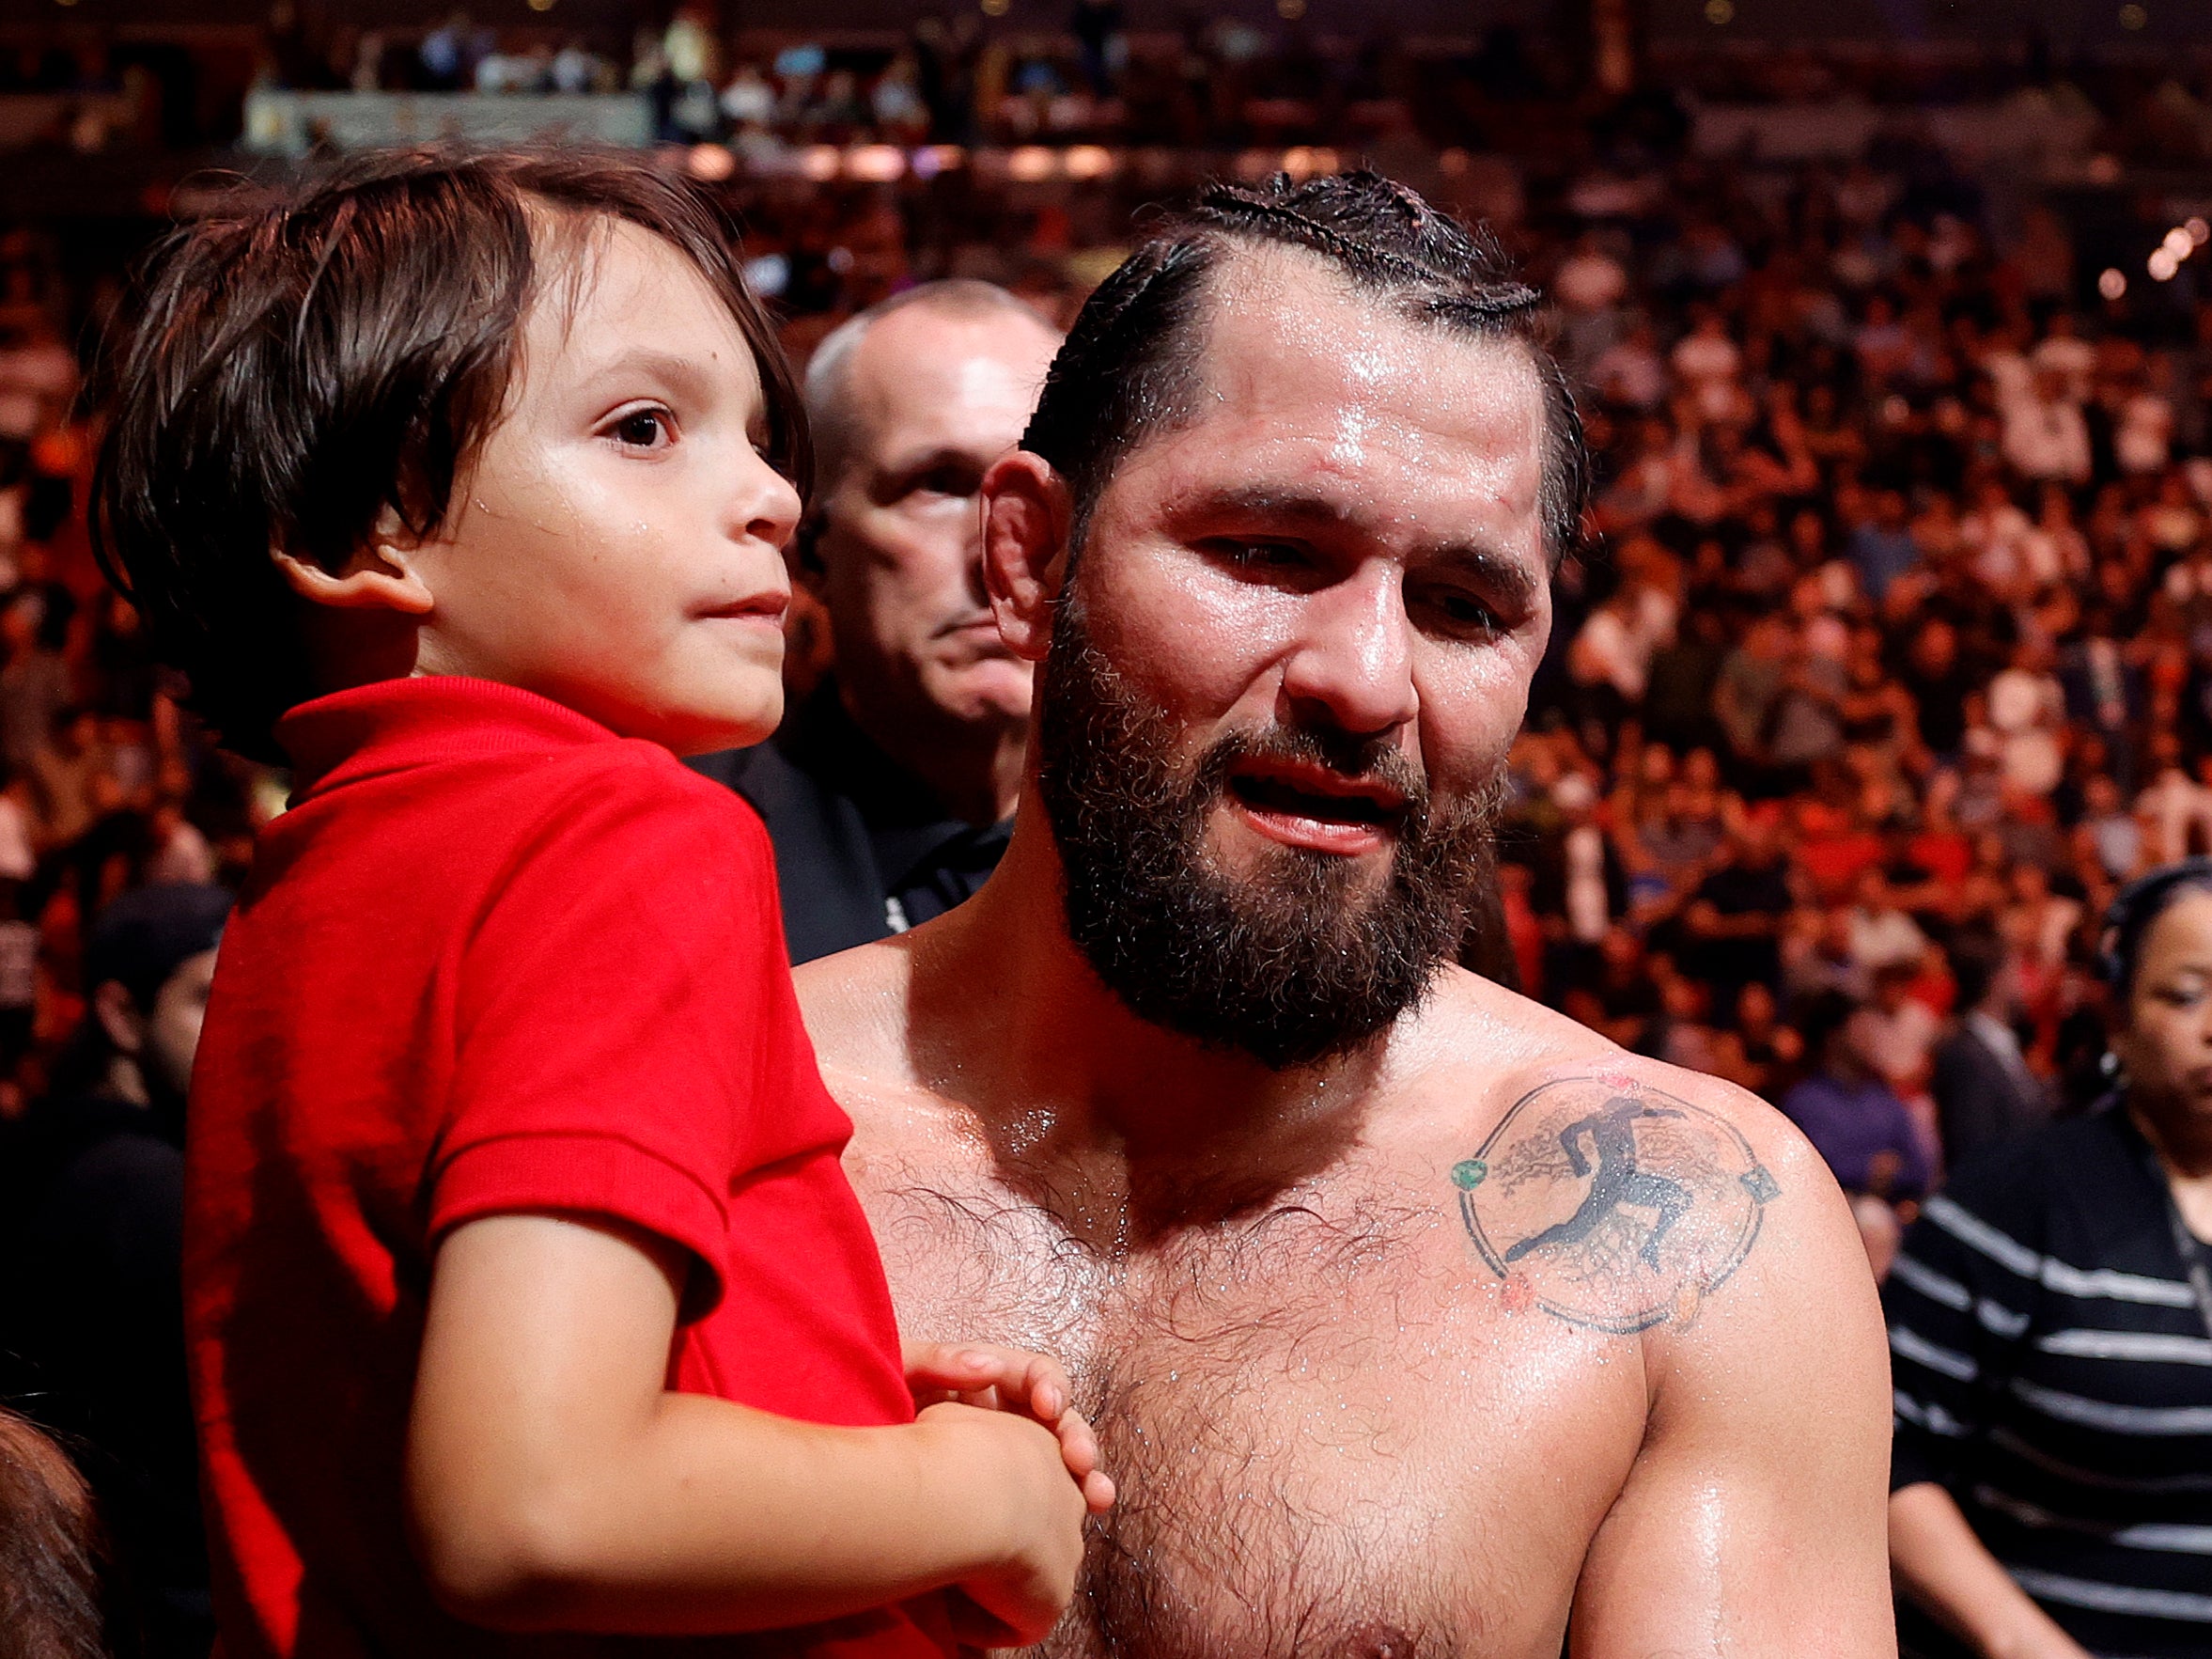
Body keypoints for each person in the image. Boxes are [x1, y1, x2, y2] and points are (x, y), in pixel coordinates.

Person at [800, 172, 1893, 1655]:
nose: (1367, 680)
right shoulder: (709, 1115)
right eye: (1265, 552)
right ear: (1028, 559)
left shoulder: (1697, 1241)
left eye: (1460, 604)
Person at [89, 148, 1101, 1659]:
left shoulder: (324, 878)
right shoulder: (621, 832)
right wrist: (972, 1489)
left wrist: (809, 1401)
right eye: (645, 428)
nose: (767, 499)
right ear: (369, 532)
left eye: (764, 445)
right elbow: (534, 1505)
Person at [1887, 860, 2212, 1659]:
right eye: (2186, 993)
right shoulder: (2018, 1197)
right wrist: (2021, 1642)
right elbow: (1883, 1452)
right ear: (2116, 1018)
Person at [693, 281, 1063, 963]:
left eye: (1044, 490)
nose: (1003, 557)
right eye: (938, 485)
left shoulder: (1176, 846)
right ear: (811, 552)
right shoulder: (688, 862)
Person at [0, 882, 231, 1659]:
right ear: (119, 1013)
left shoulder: (62, 1143)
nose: (236, 1028)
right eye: (206, 998)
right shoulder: (143, 1190)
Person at [1928, 928, 2049, 1166]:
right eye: (2016, 970)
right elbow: (1972, 1149)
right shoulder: (1964, 1056)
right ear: (1997, 980)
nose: (2024, 980)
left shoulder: (2003, 1044)